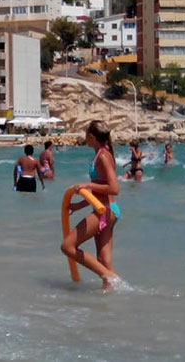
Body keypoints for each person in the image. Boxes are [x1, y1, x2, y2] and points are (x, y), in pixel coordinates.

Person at [60, 120, 120, 290]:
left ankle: (110, 277)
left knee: (67, 246)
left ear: (92, 136)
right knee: (103, 261)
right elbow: (101, 188)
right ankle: (108, 305)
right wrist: (78, 205)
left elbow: (114, 188)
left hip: (105, 211)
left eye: (86, 133)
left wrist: (88, 185)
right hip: (107, 210)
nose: (84, 137)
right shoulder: (103, 152)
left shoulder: (102, 155)